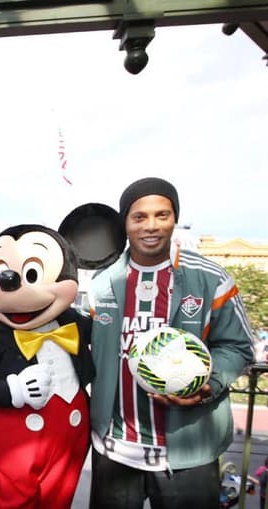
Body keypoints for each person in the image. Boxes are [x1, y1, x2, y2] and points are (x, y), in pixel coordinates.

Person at [87, 177, 255, 508]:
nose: (151, 226)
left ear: (174, 219)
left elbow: (239, 347)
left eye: (162, 215)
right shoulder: (102, 282)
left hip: (188, 451)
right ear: (125, 223)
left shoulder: (210, 278)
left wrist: (209, 383)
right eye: (139, 217)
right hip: (114, 448)